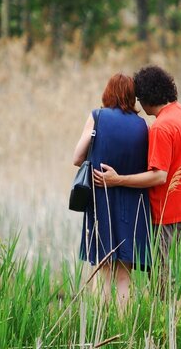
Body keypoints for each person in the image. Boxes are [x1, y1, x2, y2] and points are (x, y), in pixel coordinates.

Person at [93, 65, 181, 295]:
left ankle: (165, 326)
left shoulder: (161, 127)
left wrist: (118, 180)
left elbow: (159, 175)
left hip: (169, 214)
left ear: (147, 98)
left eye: (139, 99)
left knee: (163, 284)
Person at [72, 73, 152, 309]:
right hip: (134, 204)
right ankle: (124, 328)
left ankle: (101, 328)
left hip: (102, 200)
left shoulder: (97, 117)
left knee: (103, 267)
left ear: (108, 92)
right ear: (132, 96)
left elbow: (77, 158)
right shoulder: (143, 126)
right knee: (124, 273)